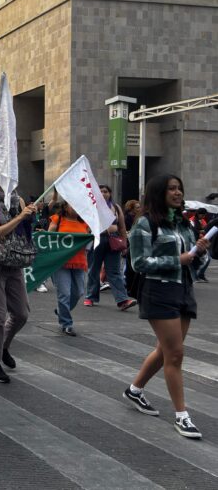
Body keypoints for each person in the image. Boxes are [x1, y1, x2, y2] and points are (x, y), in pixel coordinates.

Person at [125, 174, 209, 439]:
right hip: (158, 291)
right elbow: (138, 263)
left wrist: (200, 253)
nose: (177, 193)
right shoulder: (144, 224)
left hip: (183, 289)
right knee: (175, 354)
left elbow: (192, 263)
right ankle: (182, 416)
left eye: (179, 188)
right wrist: (178, 259)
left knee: (165, 351)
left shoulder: (184, 224)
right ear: (159, 192)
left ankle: (134, 390)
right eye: (171, 189)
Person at [0, 172, 37, 383]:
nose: (11, 178)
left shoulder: (18, 200)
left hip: (13, 260)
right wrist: (21, 217)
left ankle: (2, 346)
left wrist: (30, 216)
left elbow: (23, 230)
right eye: (5, 174)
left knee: (21, 313)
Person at [84, 185, 136, 310]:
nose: (103, 193)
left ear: (110, 193)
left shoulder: (116, 207)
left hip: (113, 241)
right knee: (93, 269)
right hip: (96, 240)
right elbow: (86, 225)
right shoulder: (91, 207)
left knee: (114, 271)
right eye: (100, 191)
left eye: (106, 191)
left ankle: (122, 300)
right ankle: (90, 297)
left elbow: (122, 226)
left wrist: (124, 243)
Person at [48, 202, 90, 336]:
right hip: (60, 262)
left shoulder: (85, 223)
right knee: (64, 294)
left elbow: (88, 240)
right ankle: (66, 323)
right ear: (65, 207)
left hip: (79, 262)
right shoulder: (57, 219)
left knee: (78, 292)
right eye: (74, 205)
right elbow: (49, 237)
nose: (77, 209)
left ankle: (61, 311)